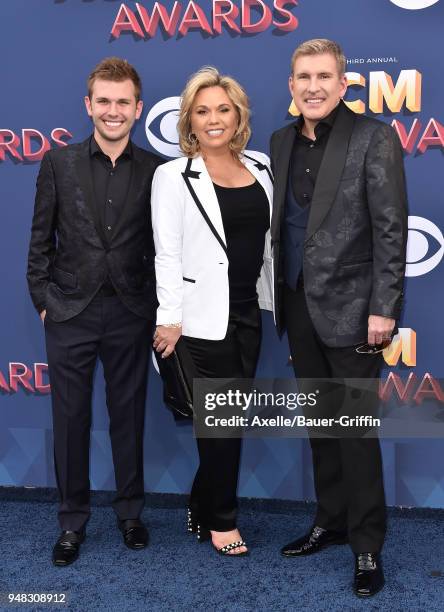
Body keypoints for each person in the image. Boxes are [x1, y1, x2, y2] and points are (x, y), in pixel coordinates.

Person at [270, 39, 407, 596]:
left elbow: (391, 227)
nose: (314, 86)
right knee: (322, 428)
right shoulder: (279, 141)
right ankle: (329, 521)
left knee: (354, 433)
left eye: (324, 76)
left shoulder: (373, 136)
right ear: (291, 86)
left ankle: (368, 547)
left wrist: (383, 307)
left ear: (344, 83)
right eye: (304, 77)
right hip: (297, 305)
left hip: (355, 311)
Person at [27, 57, 162, 566]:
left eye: (122, 102)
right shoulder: (57, 163)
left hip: (130, 310)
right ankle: (71, 521)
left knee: (127, 416)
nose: (112, 111)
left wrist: (156, 306)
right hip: (69, 312)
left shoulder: (155, 170)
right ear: (89, 106)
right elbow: (39, 240)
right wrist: (44, 301)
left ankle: (130, 514)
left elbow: (163, 246)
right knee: (70, 420)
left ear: (137, 108)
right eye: (103, 101)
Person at [151, 66, 273, 556]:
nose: (214, 118)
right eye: (202, 111)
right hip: (200, 322)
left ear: (239, 114)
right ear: (189, 121)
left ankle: (202, 502)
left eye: (223, 108)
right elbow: (167, 252)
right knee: (219, 425)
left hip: (248, 314)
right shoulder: (172, 176)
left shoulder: (261, 167)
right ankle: (222, 521)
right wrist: (169, 318)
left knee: (230, 421)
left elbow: (268, 246)